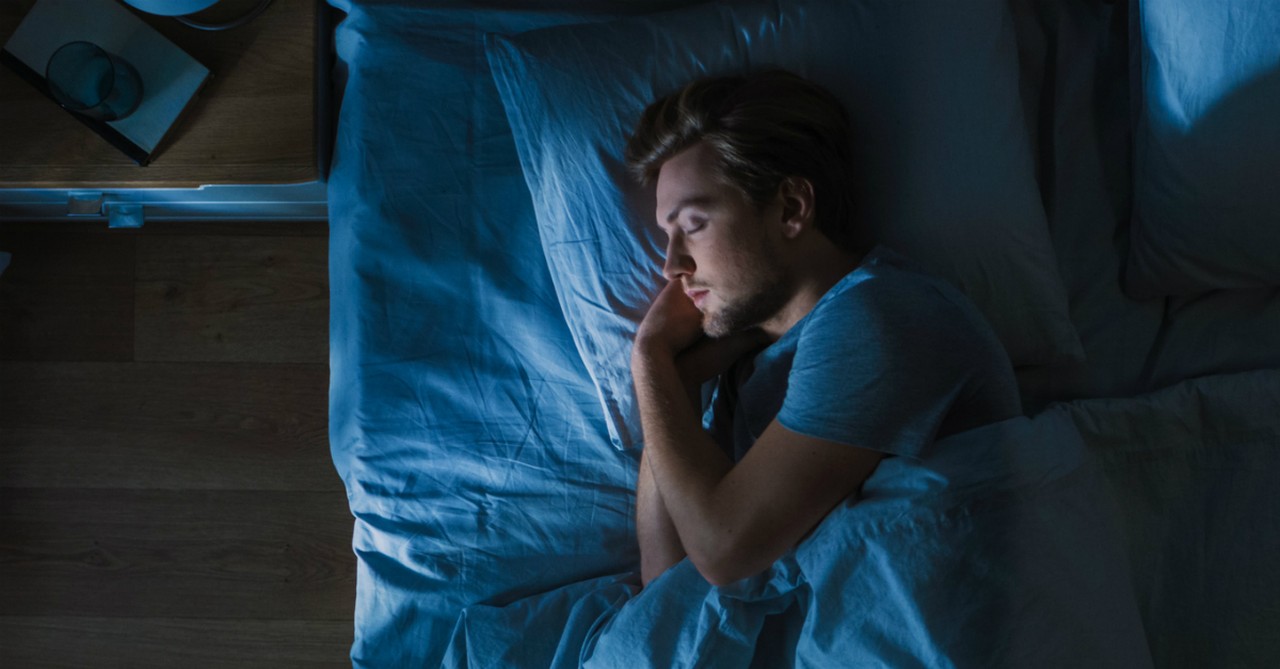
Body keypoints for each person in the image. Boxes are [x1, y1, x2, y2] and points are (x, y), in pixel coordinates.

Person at [623, 70, 1022, 588]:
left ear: (791, 208)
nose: (671, 264)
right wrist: (678, 382)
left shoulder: (879, 317)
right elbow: (666, 586)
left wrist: (650, 360)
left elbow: (723, 550)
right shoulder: (742, 363)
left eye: (694, 224)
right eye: (667, 233)